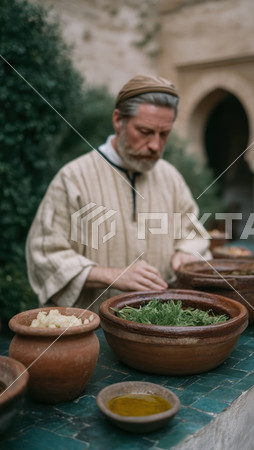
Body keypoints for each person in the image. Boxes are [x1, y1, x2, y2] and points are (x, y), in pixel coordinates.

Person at [26, 75, 211, 312]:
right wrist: (112, 276)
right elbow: (45, 257)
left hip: (159, 330)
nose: (155, 145)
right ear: (118, 120)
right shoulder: (72, 178)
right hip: (89, 332)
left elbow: (192, 234)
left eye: (164, 134)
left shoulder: (170, 177)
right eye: (144, 131)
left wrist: (187, 253)